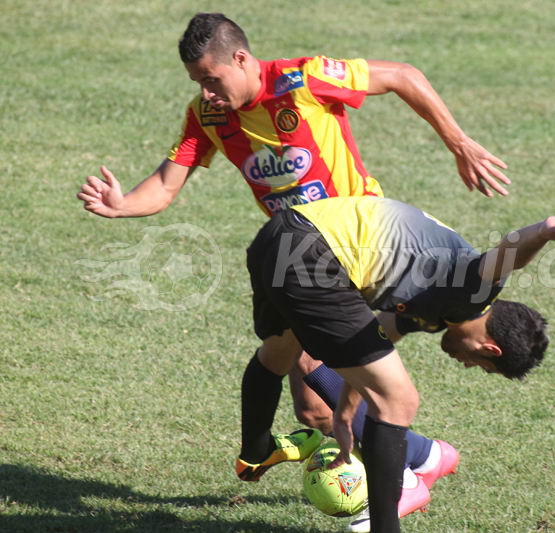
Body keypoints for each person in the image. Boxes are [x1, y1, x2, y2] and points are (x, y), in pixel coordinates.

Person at [75, 11, 510, 526]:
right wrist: (123, 204)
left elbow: (402, 75)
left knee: (310, 367)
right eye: (198, 82)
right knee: (314, 411)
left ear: (241, 58)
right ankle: (424, 457)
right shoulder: (209, 117)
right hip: (300, 258)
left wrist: (458, 141)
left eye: (212, 79)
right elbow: (167, 185)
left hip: (359, 250)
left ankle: (410, 475)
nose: (207, 92)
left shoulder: (302, 80)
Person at [245, 195, 555, 531]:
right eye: (479, 364)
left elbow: (367, 345)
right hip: (319, 254)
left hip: (280, 236)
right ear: (489, 348)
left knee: (280, 350)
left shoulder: (430, 308)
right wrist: (543, 231)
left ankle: (255, 452)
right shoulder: (473, 293)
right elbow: (507, 254)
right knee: (400, 401)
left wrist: (345, 411)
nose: (465, 364)